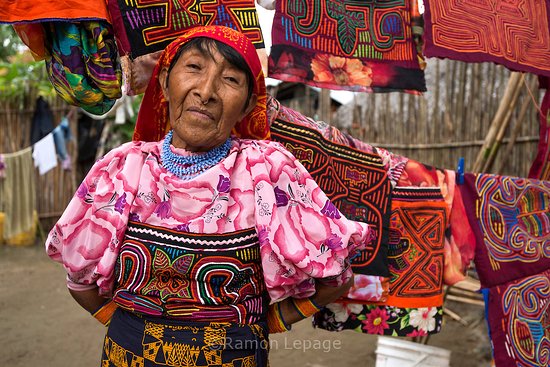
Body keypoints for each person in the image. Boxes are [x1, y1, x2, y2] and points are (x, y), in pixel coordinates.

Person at [46, 25, 371, 367]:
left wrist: (276, 320)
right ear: (164, 84)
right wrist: (122, 325)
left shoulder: (268, 171)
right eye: (194, 68)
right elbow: (78, 278)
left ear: (247, 106)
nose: (206, 91)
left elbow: (337, 277)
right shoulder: (122, 167)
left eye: (230, 79)